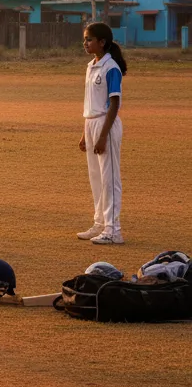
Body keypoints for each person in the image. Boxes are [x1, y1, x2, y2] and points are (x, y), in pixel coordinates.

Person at [78, 22, 127, 244]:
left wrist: (103, 135)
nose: (85, 43)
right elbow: (90, 102)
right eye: (85, 39)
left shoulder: (111, 68)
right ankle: (99, 222)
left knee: (109, 178)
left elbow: (114, 104)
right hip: (91, 123)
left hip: (106, 124)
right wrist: (84, 132)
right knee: (96, 177)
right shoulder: (91, 66)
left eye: (89, 39)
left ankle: (113, 230)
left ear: (102, 42)